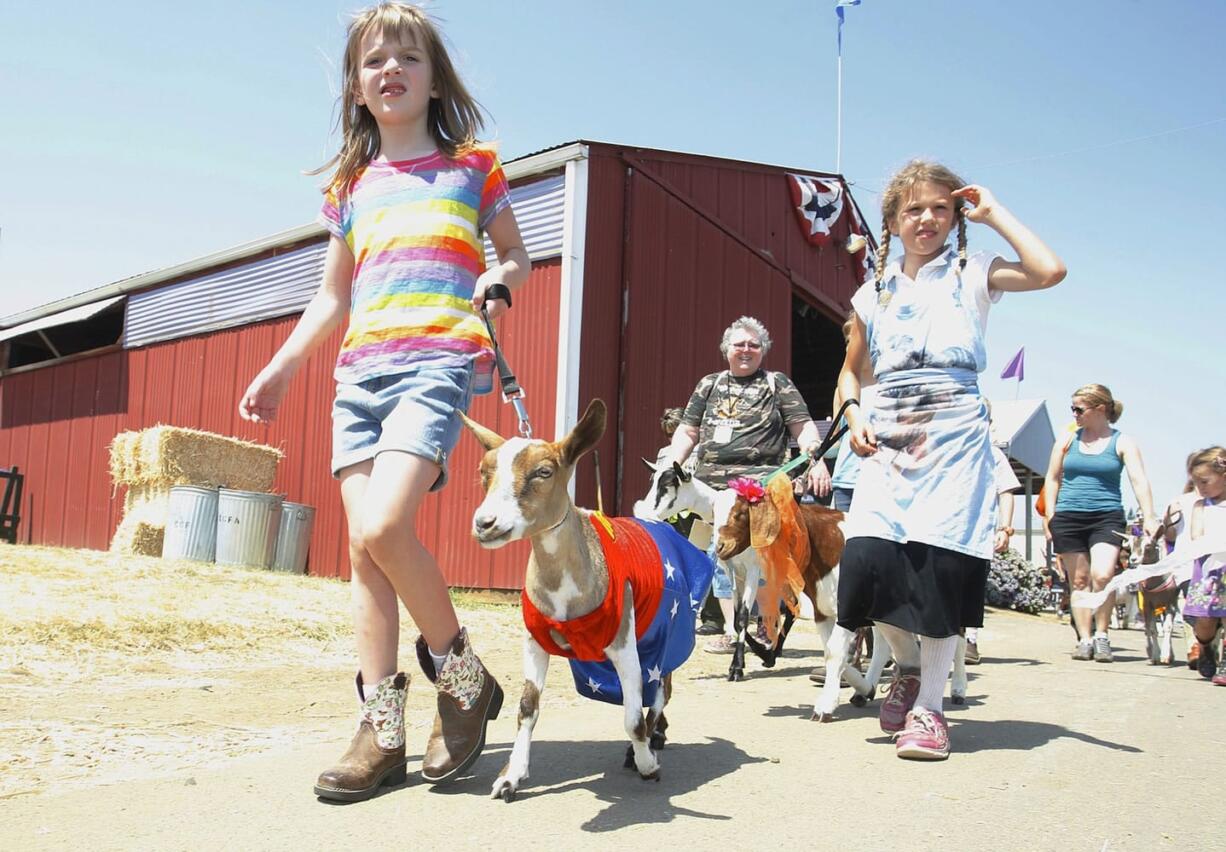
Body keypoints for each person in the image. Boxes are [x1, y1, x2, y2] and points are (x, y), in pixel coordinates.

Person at [238, 2, 529, 801]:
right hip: (358, 379)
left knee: (384, 524)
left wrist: (500, 282)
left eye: (408, 57)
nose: (390, 69)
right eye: (374, 61)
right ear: (357, 88)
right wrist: (283, 365)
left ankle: (462, 677)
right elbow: (330, 298)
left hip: (436, 366)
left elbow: (515, 252)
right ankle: (383, 729)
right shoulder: (353, 186)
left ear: (435, 81)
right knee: (363, 556)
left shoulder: (473, 168)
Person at [837, 159, 1066, 760]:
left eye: (941, 207)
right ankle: (908, 665)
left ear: (956, 216)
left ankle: (930, 709)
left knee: (937, 570)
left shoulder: (973, 272)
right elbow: (850, 372)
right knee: (866, 564)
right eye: (913, 209)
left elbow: (1050, 270)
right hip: (886, 437)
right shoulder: (872, 291)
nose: (927, 219)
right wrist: (855, 416)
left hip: (955, 437)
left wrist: (995, 214)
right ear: (891, 220)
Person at [664, 316, 833, 653]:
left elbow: (802, 427)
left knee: (764, 559)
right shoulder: (709, 384)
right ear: (726, 349)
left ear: (763, 351)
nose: (745, 350)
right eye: (739, 344)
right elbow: (688, 431)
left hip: (762, 488)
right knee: (721, 557)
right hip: (714, 492)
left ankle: (765, 627)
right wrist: (671, 465)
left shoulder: (776, 384)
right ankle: (732, 630)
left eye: (753, 345)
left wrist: (817, 459)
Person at [1043, 383, 1158, 663]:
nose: (1074, 414)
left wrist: (1150, 515)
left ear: (1100, 409)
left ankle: (1103, 635)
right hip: (1069, 516)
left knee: (1103, 575)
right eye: (1072, 409)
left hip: (1106, 515)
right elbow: (1052, 477)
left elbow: (1139, 480)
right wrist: (1050, 514)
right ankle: (1084, 638)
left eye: (1078, 409)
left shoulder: (1122, 442)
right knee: (1079, 580)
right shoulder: (1067, 439)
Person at [1162, 447, 1226, 684]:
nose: (1200, 487)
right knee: (1205, 622)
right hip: (1208, 572)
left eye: (1205, 481)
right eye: (1196, 482)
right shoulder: (1201, 506)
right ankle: (1206, 646)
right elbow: (1197, 534)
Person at [964, 444, 1022, 664]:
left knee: (972, 585)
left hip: (979, 532)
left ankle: (970, 638)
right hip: (943, 528)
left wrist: (1004, 528)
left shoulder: (993, 453)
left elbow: (1005, 491)